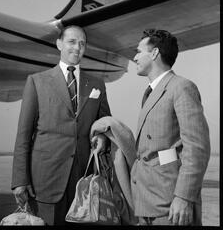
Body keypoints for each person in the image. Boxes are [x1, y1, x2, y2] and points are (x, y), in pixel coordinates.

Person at [11, 25, 111, 225]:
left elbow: (105, 123)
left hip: (84, 179)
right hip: (46, 180)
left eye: (82, 43)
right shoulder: (37, 82)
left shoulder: (97, 84)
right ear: (59, 44)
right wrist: (20, 180)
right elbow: (24, 134)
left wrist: (102, 137)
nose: (77, 48)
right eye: (72, 42)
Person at [131, 29, 210, 226]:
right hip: (146, 199)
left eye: (139, 51)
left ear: (155, 53)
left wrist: (183, 197)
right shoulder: (151, 92)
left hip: (170, 204)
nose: (135, 57)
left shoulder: (181, 87)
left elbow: (196, 148)